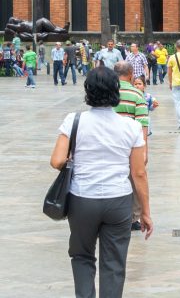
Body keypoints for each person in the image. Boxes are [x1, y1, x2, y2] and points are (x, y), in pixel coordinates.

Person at [49, 66, 152, 298]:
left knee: (82, 256)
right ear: (116, 91)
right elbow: (138, 173)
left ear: (88, 91)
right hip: (118, 201)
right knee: (114, 263)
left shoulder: (73, 121)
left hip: (82, 199)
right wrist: (145, 212)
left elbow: (56, 161)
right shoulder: (132, 127)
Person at [113, 61, 150, 232]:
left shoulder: (107, 92)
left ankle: (114, 213)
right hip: (131, 145)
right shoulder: (137, 94)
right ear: (130, 75)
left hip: (111, 144)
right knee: (135, 179)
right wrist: (144, 150)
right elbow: (142, 123)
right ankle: (133, 218)